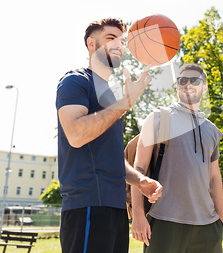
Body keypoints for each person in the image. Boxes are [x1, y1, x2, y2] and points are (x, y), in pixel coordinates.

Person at [56, 17, 163, 253]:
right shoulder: (75, 80)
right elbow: (75, 134)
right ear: (91, 44)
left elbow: (111, 155)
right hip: (87, 204)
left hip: (115, 208)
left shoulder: (111, 98)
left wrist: (139, 180)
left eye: (122, 41)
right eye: (111, 38)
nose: (119, 45)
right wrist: (126, 103)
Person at [131, 63, 223, 253]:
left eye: (194, 80)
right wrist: (138, 215)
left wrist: (220, 220)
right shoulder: (158, 118)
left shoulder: (212, 130)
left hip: (208, 225)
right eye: (182, 80)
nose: (187, 84)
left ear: (204, 87)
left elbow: (214, 178)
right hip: (164, 220)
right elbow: (138, 168)